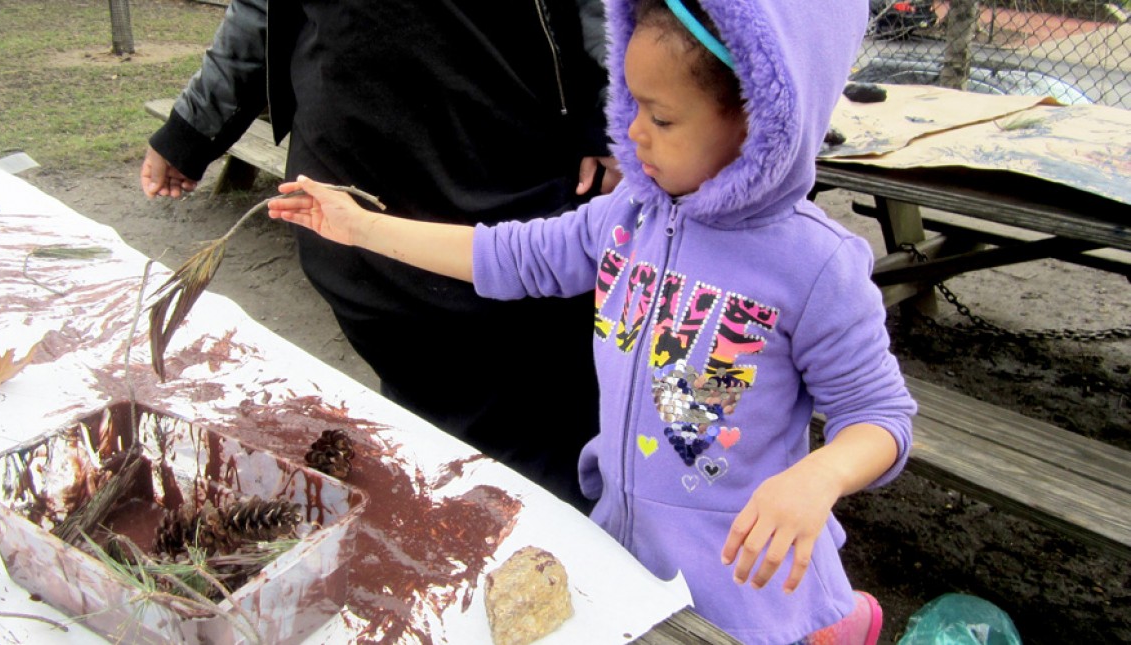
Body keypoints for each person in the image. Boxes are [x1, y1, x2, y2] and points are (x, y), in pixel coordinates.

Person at [266, 0, 916, 642]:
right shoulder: (629, 216)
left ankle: (834, 620)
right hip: (628, 545)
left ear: (760, 122)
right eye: (630, 104)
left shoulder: (815, 266)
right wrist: (360, 227)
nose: (632, 133)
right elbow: (504, 254)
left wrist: (818, 477)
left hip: (749, 580)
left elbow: (882, 417)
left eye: (660, 117)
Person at [140, 1, 621, 508]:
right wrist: (191, 129)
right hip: (353, 185)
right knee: (425, 420)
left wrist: (619, 118)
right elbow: (262, 8)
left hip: (509, 171)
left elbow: (613, 14)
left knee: (537, 422)